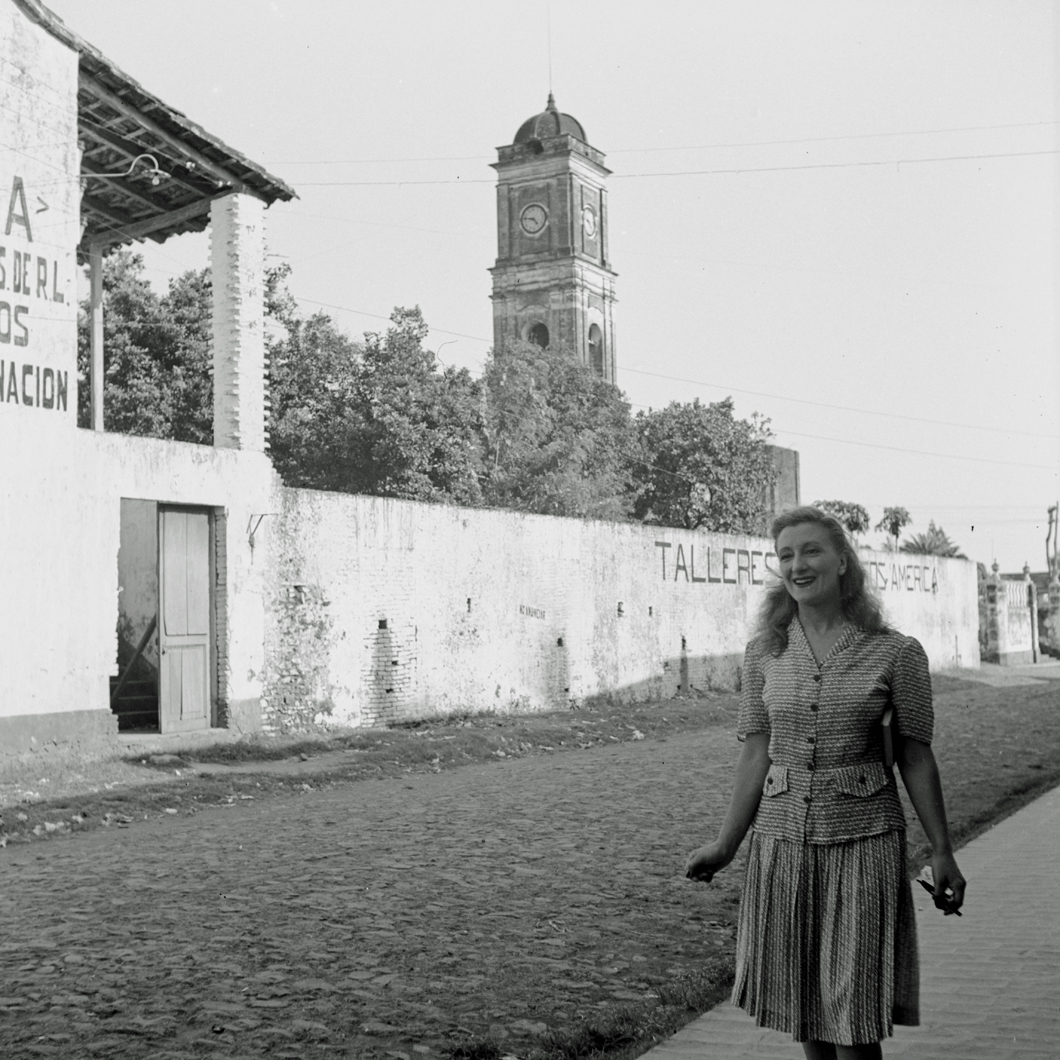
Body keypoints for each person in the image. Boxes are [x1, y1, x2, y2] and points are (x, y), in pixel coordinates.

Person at [685, 506, 965, 1060]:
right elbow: (756, 750)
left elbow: (915, 756)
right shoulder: (765, 652)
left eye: (811, 550)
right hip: (783, 843)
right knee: (804, 1006)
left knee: (856, 1014)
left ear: (842, 561)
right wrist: (725, 844)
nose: (797, 564)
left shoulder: (895, 653)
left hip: (865, 843)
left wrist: (942, 849)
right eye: (786, 554)